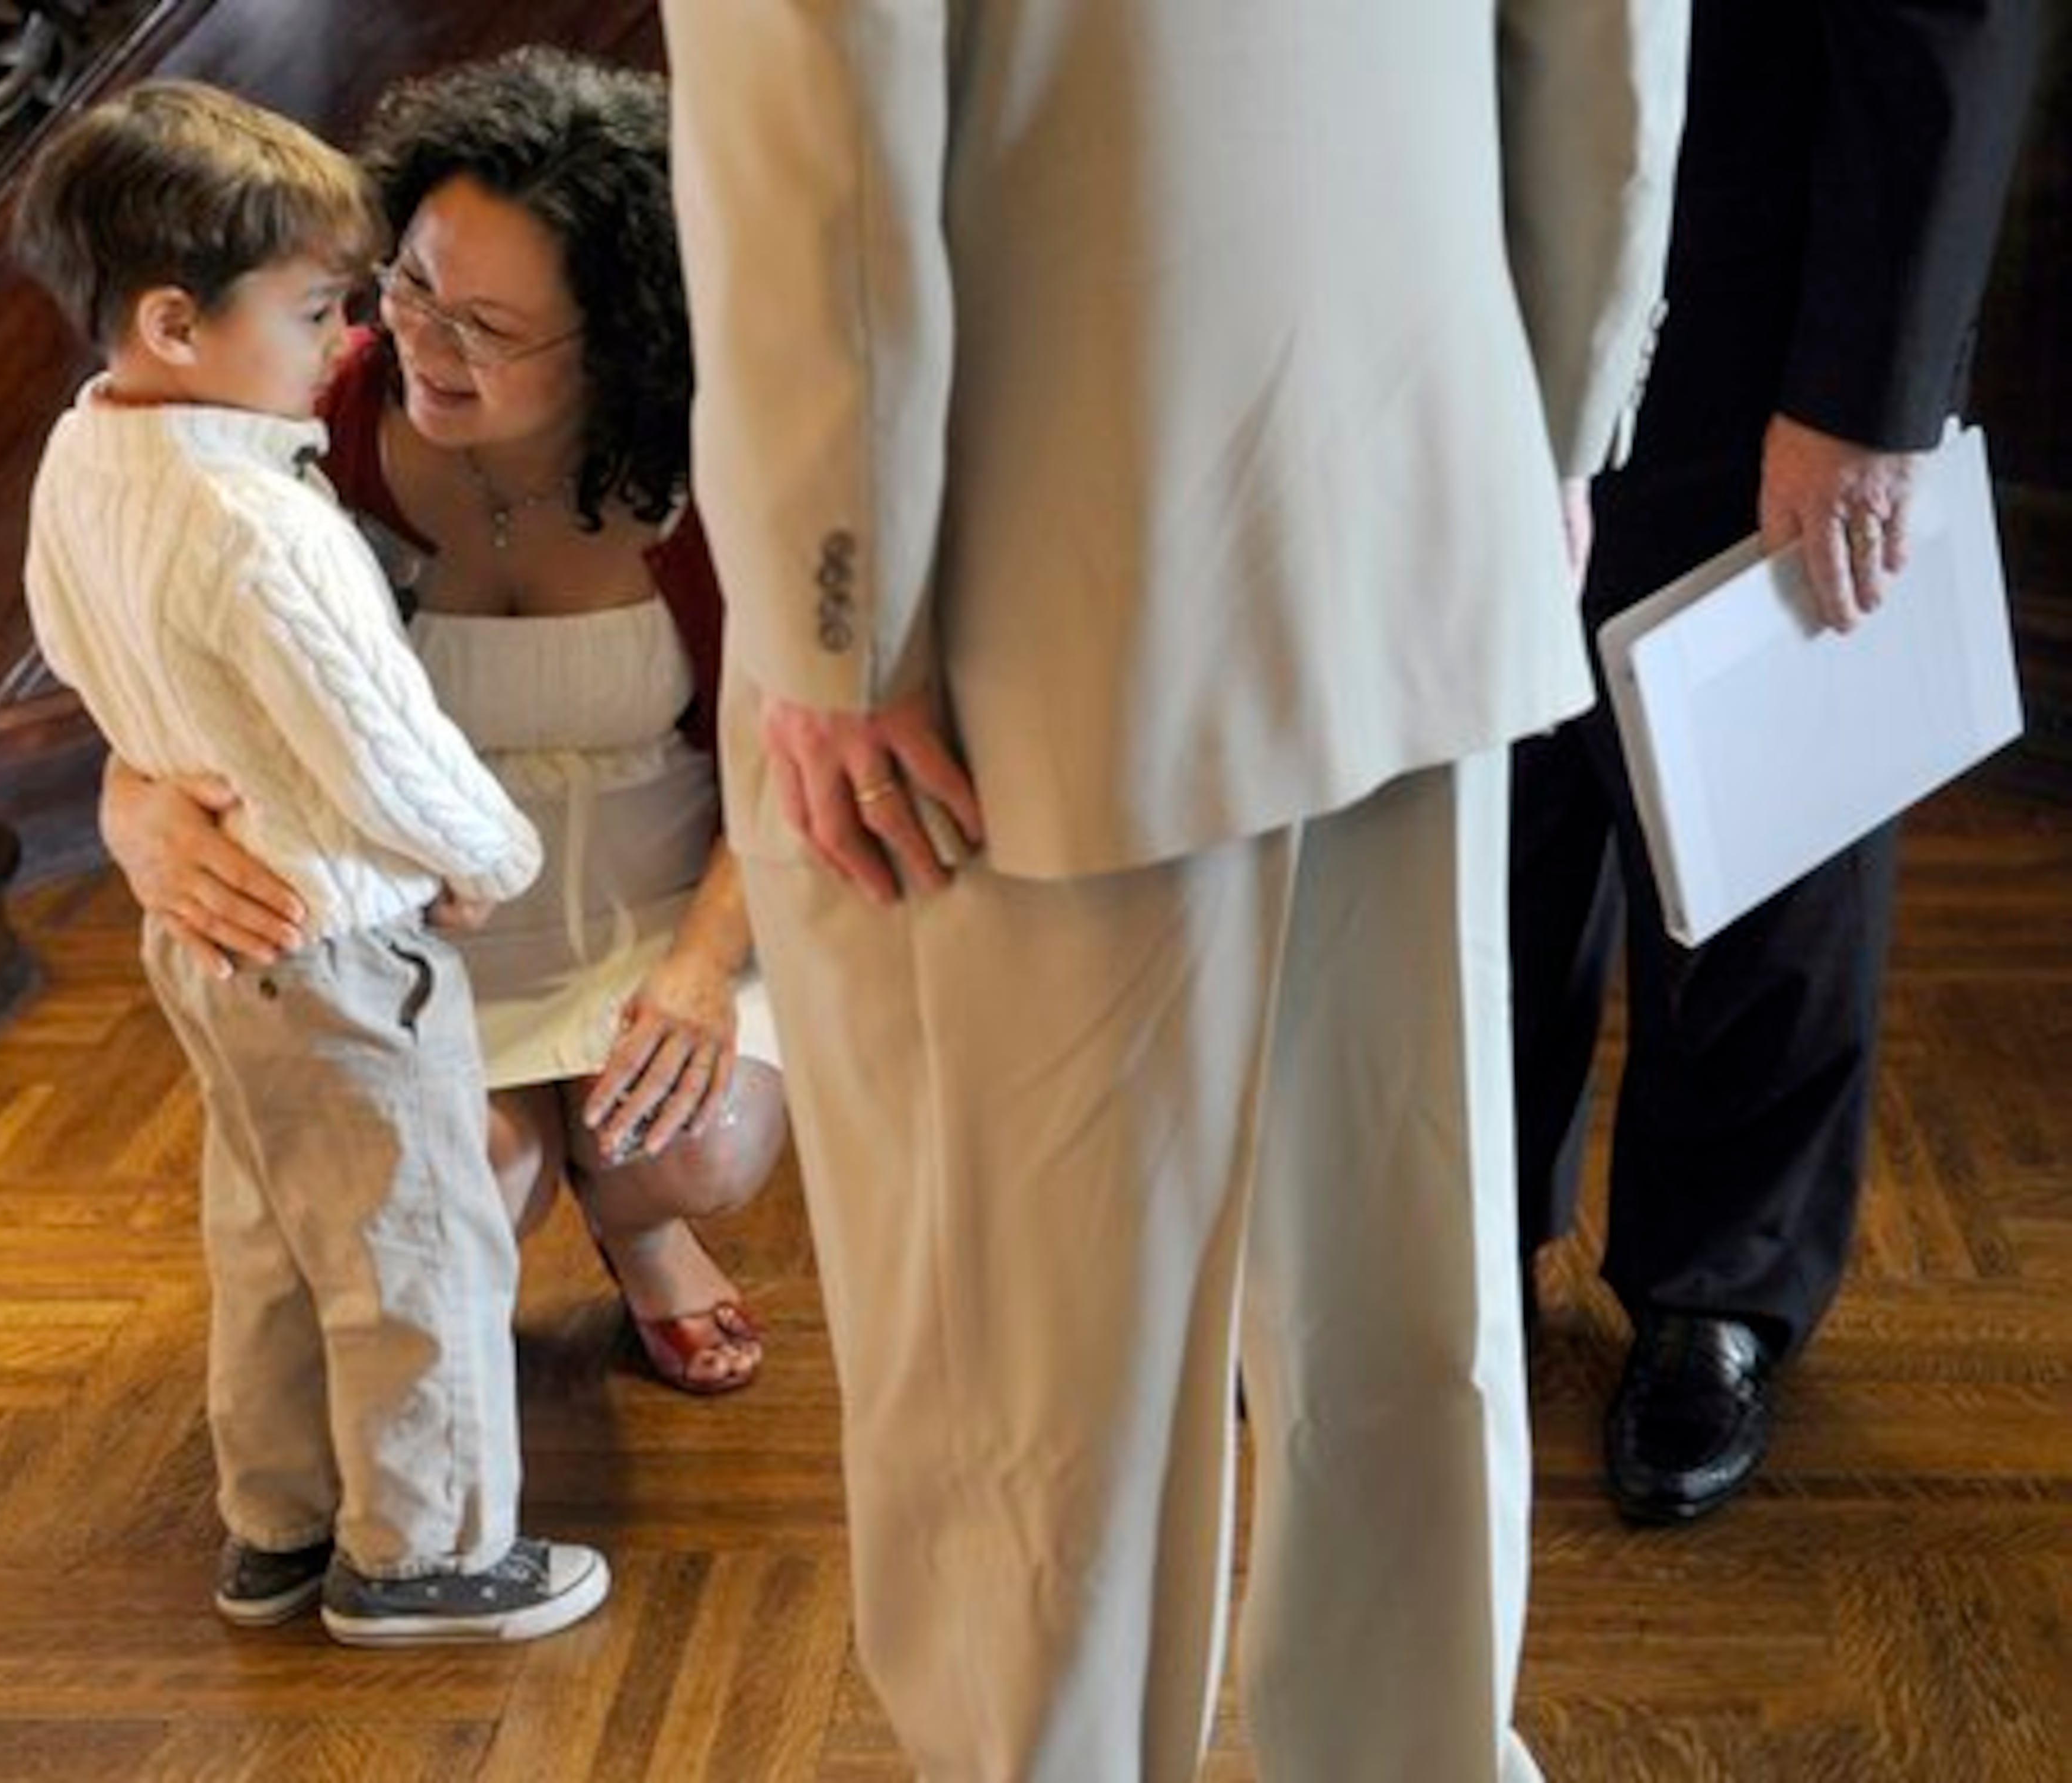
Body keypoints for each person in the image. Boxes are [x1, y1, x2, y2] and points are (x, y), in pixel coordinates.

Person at [661, 2, 1688, 1777]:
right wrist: (1558, 406)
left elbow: (818, 88)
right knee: (1405, 1282)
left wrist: (842, 610)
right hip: (1418, 459)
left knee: (1027, 1379)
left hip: (1025, 561)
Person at [13, 80, 609, 1644]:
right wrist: (490, 851)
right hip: (340, 937)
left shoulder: (86, 450)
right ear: (174, 320)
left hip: (206, 938)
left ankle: (275, 1523)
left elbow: (68, 642)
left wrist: (154, 748)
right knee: (413, 1238)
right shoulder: (258, 517)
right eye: (319, 308)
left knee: (270, 1230)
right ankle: (427, 1554)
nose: (351, 340)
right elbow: (380, 740)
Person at [99, 47, 788, 1395]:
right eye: (411, 281)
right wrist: (137, 804)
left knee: (690, 1148)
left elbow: (783, 744)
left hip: (668, 906)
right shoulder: (319, 412)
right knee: (464, 1184)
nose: (419, 336)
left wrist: (705, 967)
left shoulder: (715, 468)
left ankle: (640, 1225)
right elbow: (146, 626)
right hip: (418, 923)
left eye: (491, 326)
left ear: (624, 335)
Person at [1511, 0, 2043, 1524]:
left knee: (1767, 805)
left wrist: (1866, 384)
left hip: (1769, 243)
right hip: (1473, 227)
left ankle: (1718, 1283)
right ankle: (1465, 1213)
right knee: (1486, 778)